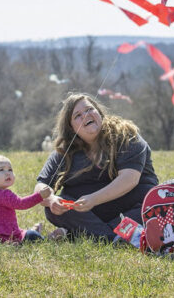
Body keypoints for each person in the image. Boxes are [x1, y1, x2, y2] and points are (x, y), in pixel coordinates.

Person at [34, 93, 158, 242]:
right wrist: (52, 199)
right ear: (72, 128)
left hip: (134, 206)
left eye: (89, 109)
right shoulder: (65, 151)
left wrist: (93, 199)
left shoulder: (126, 135)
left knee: (153, 210)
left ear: (99, 112)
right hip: (92, 215)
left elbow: (130, 179)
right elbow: (41, 186)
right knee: (53, 210)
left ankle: (84, 234)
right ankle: (115, 237)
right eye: (78, 115)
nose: (86, 115)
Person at [0, 154, 51, 243]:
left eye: (10, 169)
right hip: (4, 237)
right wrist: (39, 196)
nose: (8, 173)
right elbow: (21, 204)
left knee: (25, 233)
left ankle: (32, 230)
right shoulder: (3, 194)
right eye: (1, 170)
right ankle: (50, 239)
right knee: (33, 236)